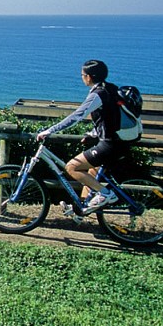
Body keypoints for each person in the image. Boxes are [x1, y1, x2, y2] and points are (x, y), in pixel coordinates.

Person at [36, 60, 129, 213]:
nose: (81, 77)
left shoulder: (98, 94)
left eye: (82, 75)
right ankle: (81, 210)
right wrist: (92, 134)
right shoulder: (110, 89)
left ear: (89, 77)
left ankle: (106, 194)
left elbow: (76, 116)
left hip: (110, 145)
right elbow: (108, 118)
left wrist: (50, 130)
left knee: (71, 167)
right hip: (119, 142)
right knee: (91, 175)